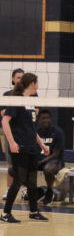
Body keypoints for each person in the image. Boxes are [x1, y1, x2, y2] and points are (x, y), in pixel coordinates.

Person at [1, 73, 49, 223]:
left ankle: (34, 211)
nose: (38, 85)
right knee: (19, 180)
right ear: (32, 83)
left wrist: (42, 144)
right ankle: (6, 214)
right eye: (37, 83)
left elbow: (31, 129)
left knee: (33, 181)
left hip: (32, 148)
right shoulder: (17, 101)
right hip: (19, 147)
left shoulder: (31, 102)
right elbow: (5, 121)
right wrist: (12, 142)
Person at [2, 68, 25, 199]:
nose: (20, 80)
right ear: (12, 79)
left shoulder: (31, 95)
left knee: (25, 164)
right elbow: (3, 114)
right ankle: (9, 189)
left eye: (23, 77)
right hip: (11, 134)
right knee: (11, 164)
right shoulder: (7, 95)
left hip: (25, 135)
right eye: (18, 77)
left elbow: (35, 113)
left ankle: (25, 190)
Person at [36, 109, 66, 205]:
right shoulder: (36, 132)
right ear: (39, 120)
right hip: (39, 160)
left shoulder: (58, 132)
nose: (46, 120)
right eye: (43, 118)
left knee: (48, 169)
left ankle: (49, 191)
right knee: (15, 170)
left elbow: (56, 154)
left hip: (55, 161)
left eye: (48, 118)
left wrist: (40, 162)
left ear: (51, 119)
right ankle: (36, 191)